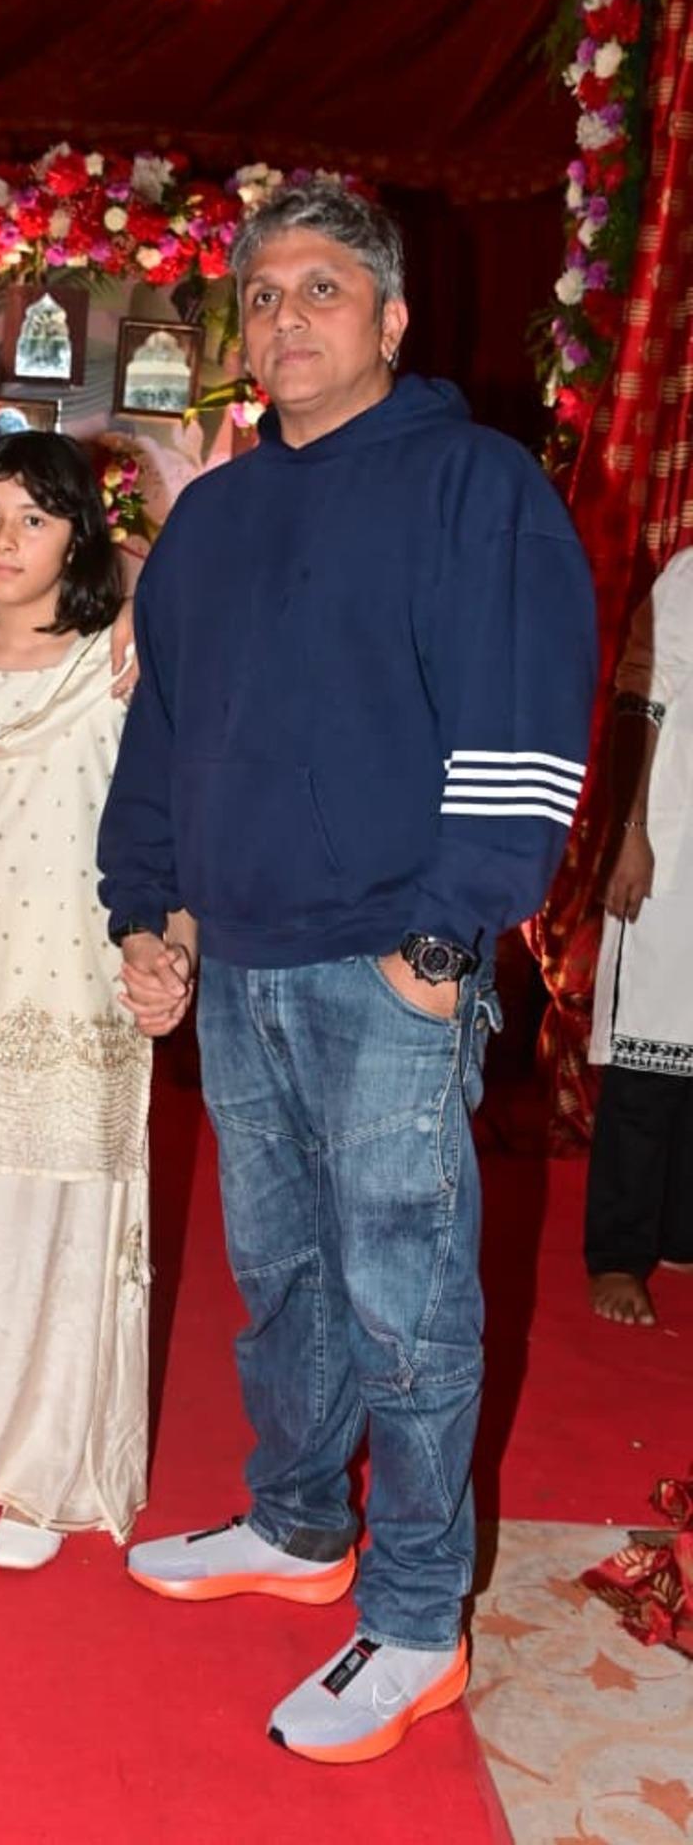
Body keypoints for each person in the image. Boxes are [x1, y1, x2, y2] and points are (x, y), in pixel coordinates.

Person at [98, 182, 597, 1761]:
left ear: (388, 320)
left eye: (325, 288)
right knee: (287, 1285)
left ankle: (414, 1616)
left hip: (395, 963)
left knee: (407, 1302)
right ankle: (300, 1527)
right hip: (239, 966)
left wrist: (447, 941)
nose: (288, 314)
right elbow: (164, 734)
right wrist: (148, 909)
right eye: (262, 293)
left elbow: (526, 730)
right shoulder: (219, 517)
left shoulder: (474, 485)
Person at [0, 431, 193, 1569]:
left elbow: (172, 813)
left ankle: (47, 1476)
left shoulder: (120, 659)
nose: (6, 541)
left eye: (36, 517)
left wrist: (135, 593)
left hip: (80, 972)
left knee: (67, 1214)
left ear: (79, 536)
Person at [586, 549, 693, 1325]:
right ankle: (619, 1253)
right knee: (650, 1055)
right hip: (673, 845)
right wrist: (629, 832)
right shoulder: (691, 576)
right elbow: (641, 699)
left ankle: (681, 1232)